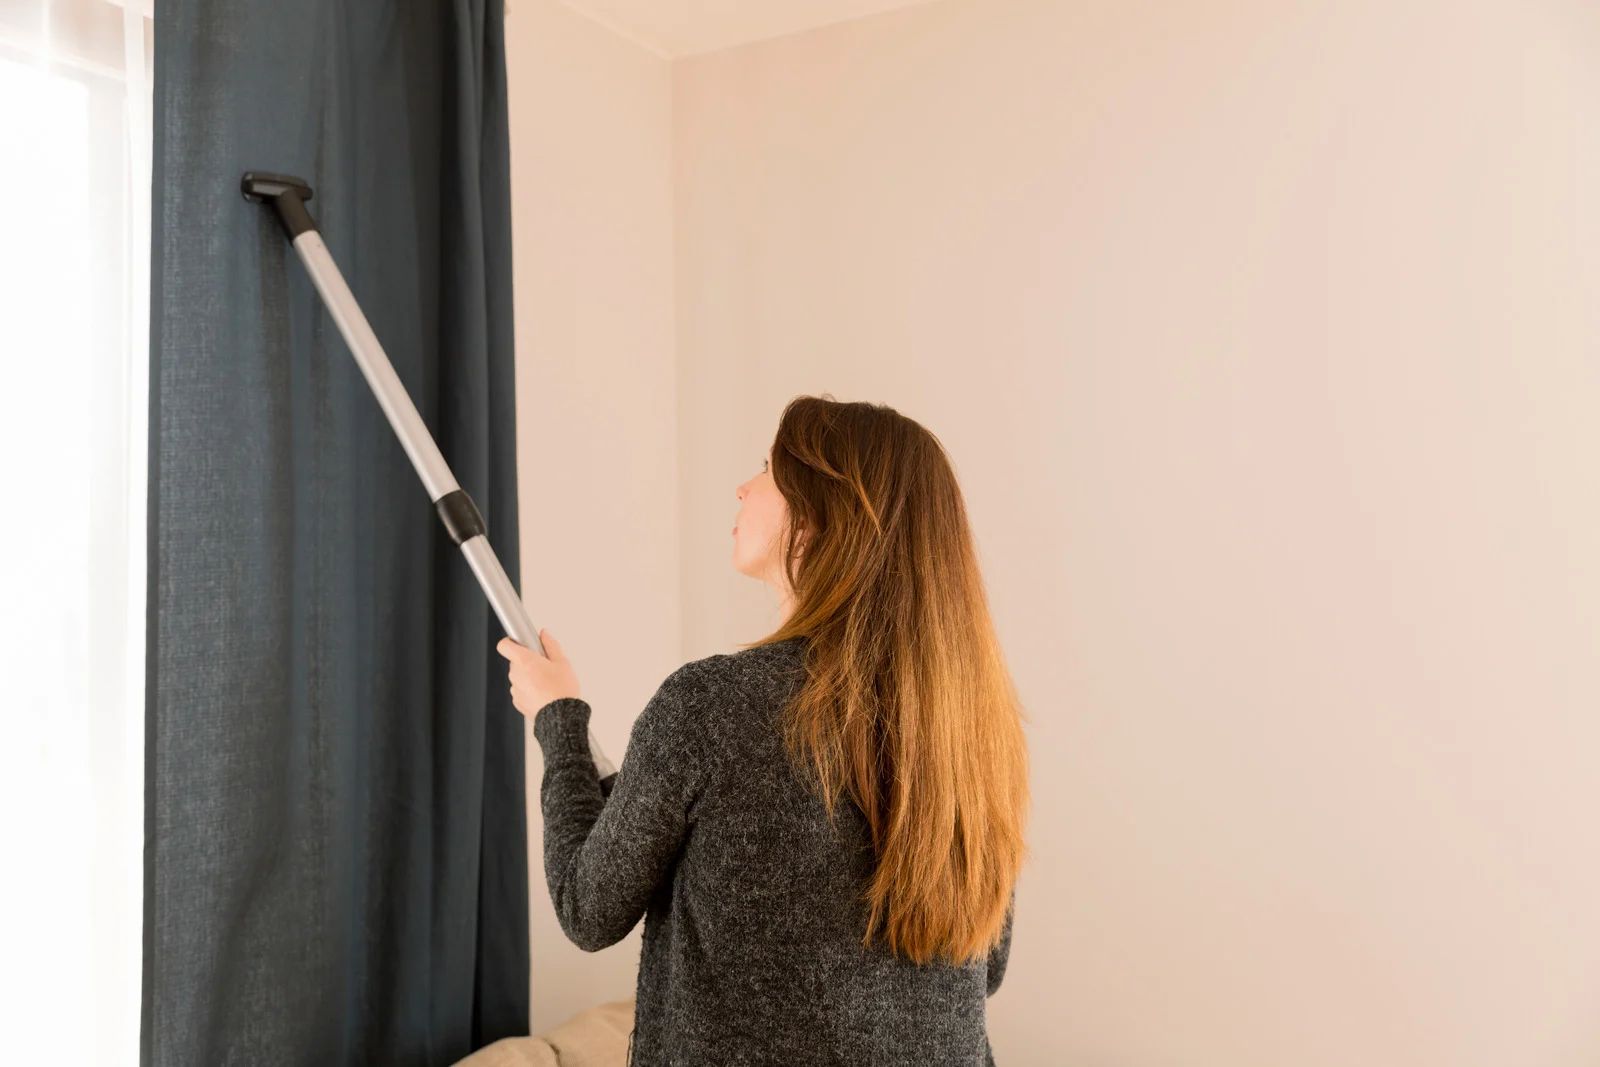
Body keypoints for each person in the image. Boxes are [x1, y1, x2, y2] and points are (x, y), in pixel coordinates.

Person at [498, 394, 1031, 1065]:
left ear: (813, 517)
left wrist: (558, 722)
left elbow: (588, 905)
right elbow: (987, 965)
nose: (743, 488)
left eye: (766, 470)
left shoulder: (709, 705)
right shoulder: (974, 733)